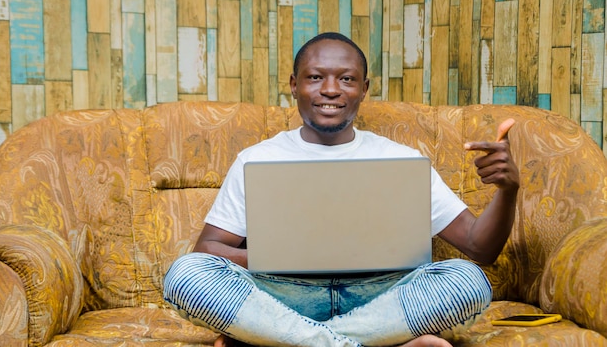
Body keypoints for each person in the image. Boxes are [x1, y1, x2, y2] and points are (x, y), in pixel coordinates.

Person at [164, 32, 519, 347]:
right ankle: (364, 342)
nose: (330, 89)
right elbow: (208, 251)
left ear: (364, 89)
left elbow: (479, 247)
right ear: (294, 84)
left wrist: (508, 190)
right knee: (187, 275)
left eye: (346, 79)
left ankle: (280, 339)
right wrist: (286, 262)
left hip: (381, 296)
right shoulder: (257, 158)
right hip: (284, 296)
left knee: (467, 281)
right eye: (315, 77)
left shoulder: (400, 159)